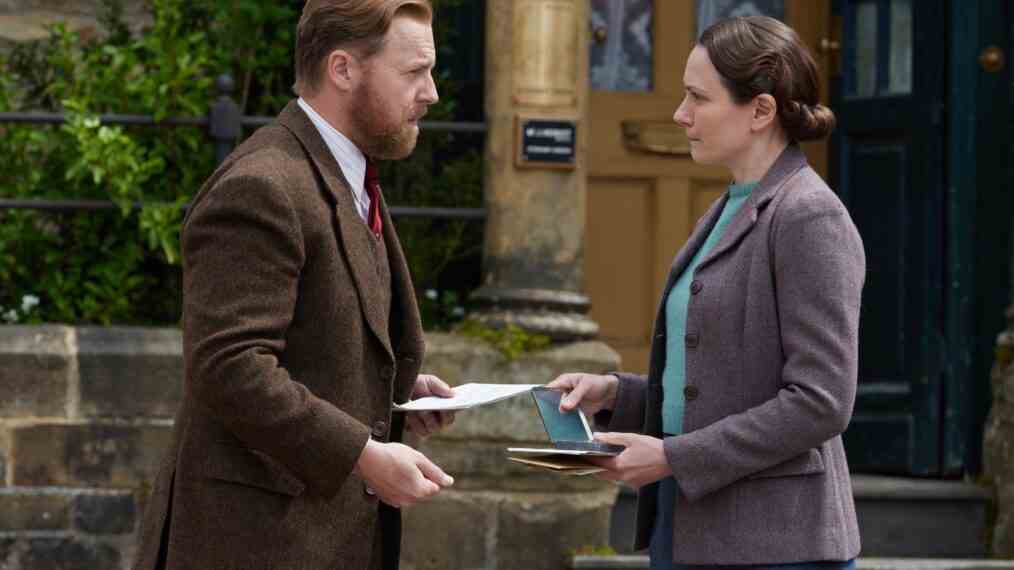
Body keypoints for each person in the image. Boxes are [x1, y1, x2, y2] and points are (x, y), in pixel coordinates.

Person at [132, 2, 457, 569]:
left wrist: (395, 394)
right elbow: (230, 366)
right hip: (255, 544)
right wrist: (362, 453)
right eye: (413, 72)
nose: (430, 92)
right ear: (343, 69)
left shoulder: (340, 172)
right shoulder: (263, 185)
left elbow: (315, 339)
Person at [548, 16, 865, 569]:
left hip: (776, 545)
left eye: (698, 97)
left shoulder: (809, 215)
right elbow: (721, 380)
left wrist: (672, 456)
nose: (680, 114)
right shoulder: (731, 206)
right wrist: (615, 394)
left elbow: (821, 402)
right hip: (690, 525)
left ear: (761, 110)